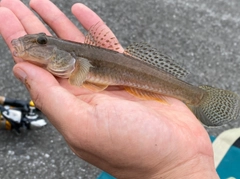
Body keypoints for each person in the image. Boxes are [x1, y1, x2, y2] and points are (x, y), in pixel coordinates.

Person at [0, 0, 219, 178]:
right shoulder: (68, 57)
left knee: (157, 84)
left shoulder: (76, 61)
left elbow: (80, 73)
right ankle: (195, 95)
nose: (34, 44)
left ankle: (196, 96)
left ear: (65, 55)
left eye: (41, 42)